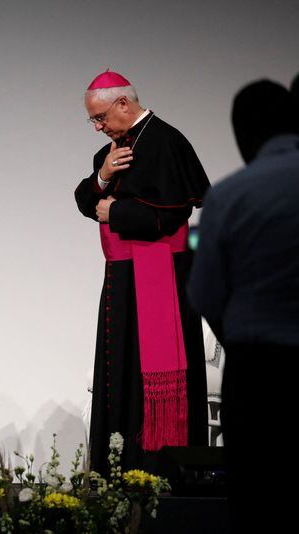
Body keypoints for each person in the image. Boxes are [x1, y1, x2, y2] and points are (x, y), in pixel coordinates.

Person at [74, 71, 210, 476]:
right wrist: (104, 176)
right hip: (121, 279)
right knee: (119, 371)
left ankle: (160, 465)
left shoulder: (167, 141)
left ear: (123, 104)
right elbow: (84, 198)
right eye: (92, 122)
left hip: (162, 277)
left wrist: (114, 210)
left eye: (100, 118)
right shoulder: (111, 150)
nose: (98, 128)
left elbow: (171, 215)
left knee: (154, 374)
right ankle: (117, 465)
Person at [188, 79, 299, 533]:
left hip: (260, 369)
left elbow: (205, 295)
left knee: (258, 501)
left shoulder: (232, 195)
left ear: (243, 135)